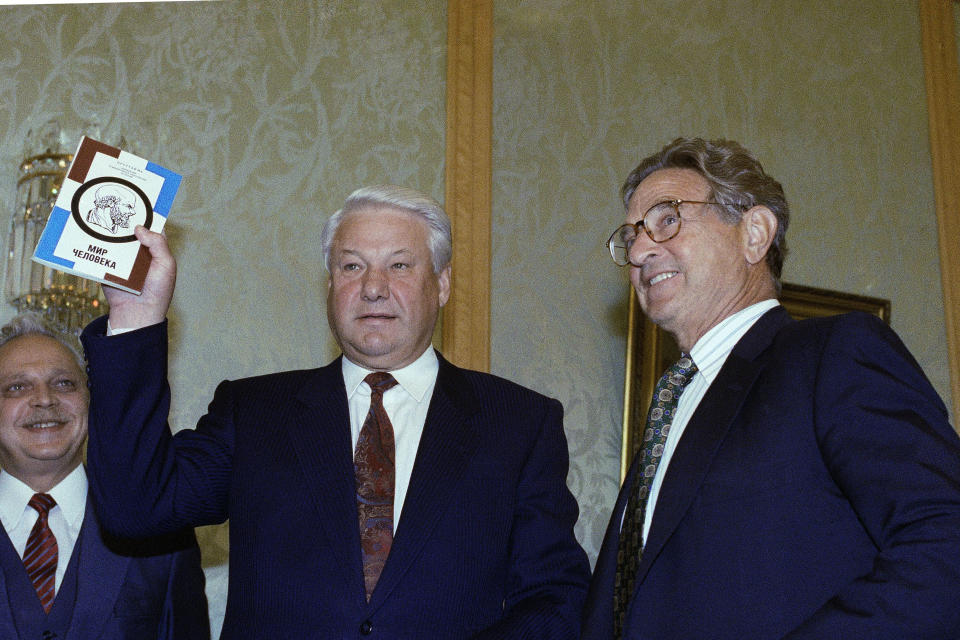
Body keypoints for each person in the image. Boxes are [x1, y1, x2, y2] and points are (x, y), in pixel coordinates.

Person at [80, 185, 591, 639]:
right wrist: (135, 318)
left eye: (399, 264)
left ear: (441, 284)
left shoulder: (519, 422)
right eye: (351, 265)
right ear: (329, 285)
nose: (373, 287)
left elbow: (555, 599)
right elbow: (135, 506)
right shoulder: (254, 412)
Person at [582, 137, 960, 639]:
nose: (642, 249)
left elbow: (944, 539)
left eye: (666, 219)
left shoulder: (833, 354)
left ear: (755, 234)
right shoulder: (671, 404)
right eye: (631, 237)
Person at [0, 313, 209, 640]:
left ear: (91, 399)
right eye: (17, 387)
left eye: (64, 383)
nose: (44, 399)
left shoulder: (163, 531)